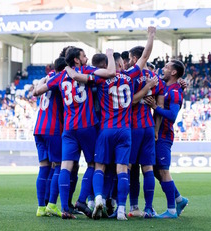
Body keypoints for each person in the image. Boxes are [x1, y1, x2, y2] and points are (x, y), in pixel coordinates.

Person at [66, 26, 158, 221]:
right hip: (126, 130)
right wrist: (151, 36)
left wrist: (67, 69)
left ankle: (98, 198)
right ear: (119, 63)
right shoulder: (130, 75)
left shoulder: (100, 79)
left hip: (106, 129)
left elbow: (78, 77)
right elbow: (145, 56)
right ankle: (122, 210)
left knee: (99, 166)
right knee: (122, 169)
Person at [34, 47, 116, 219]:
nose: (86, 58)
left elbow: (37, 92)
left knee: (65, 166)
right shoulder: (85, 70)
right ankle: (80, 200)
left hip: (69, 129)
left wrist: (43, 80)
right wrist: (109, 53)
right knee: (93, 165)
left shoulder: (59, 76)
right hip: (87, 127)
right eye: (84, 56)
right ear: (77, 60)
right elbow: (110, 72)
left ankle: (64, 209)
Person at [145, 59, 189, 218]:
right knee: (156, 170)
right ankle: (178, 199)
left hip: (164, 135)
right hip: (157, 134)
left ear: (174, 72)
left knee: (163, 170)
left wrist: (155, 107)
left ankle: (171, 210)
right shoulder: (167, 87)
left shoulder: (175, 91)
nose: (162, 69)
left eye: (166, 67)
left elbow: (172, 115)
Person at [127, 45, 165, 219]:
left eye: (129, 58)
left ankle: (134, 206)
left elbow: (130, 101)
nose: (128, 61)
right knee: (148, 168)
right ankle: (149, 208)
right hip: (149, 126)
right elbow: (160, 107)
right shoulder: (155, 77)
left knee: (132, 167)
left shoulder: (131, 76)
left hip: (133, 127)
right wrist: (156, 130)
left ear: (135, 59)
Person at [34, 57, 67, 218]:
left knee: (44, 167)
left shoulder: (47, 78)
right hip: (53, 128)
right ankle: (52, 204)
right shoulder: (61, 79)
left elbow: (36, 90)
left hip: (39, 127)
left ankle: (41, 207)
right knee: (59, 166)